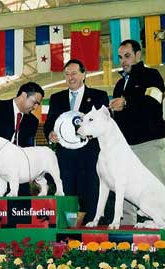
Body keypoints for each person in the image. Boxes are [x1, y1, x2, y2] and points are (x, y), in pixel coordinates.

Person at [109, 39, 165, 225]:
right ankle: (128, 238)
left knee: (160, 189)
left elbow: (154, 102)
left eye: (127, 56)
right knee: (126, 192)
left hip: (150, 144)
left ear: (138, 55)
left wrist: (127, 102)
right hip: (126, 149)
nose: (123, 61)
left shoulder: (152, 75)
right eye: (120, 57)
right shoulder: (120, 84)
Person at [44, 59, 109, 223]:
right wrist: (50, 133)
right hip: (65, 160)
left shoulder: (99, 96)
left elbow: (105, 125)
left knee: (91, 197)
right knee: (67, 198)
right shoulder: (56, 98)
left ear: (84, 74)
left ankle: (92, 236)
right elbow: (49, 122)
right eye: (66, 74)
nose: (70, 77)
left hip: (90, 159)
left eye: (74, 73)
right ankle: (66, 237)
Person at [0, 81, 44, 196]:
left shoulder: (33, 122)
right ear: (24, 95)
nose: (35, 107)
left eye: (38, 104)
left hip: (20, 179)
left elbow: (28, 150)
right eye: (35, 102)